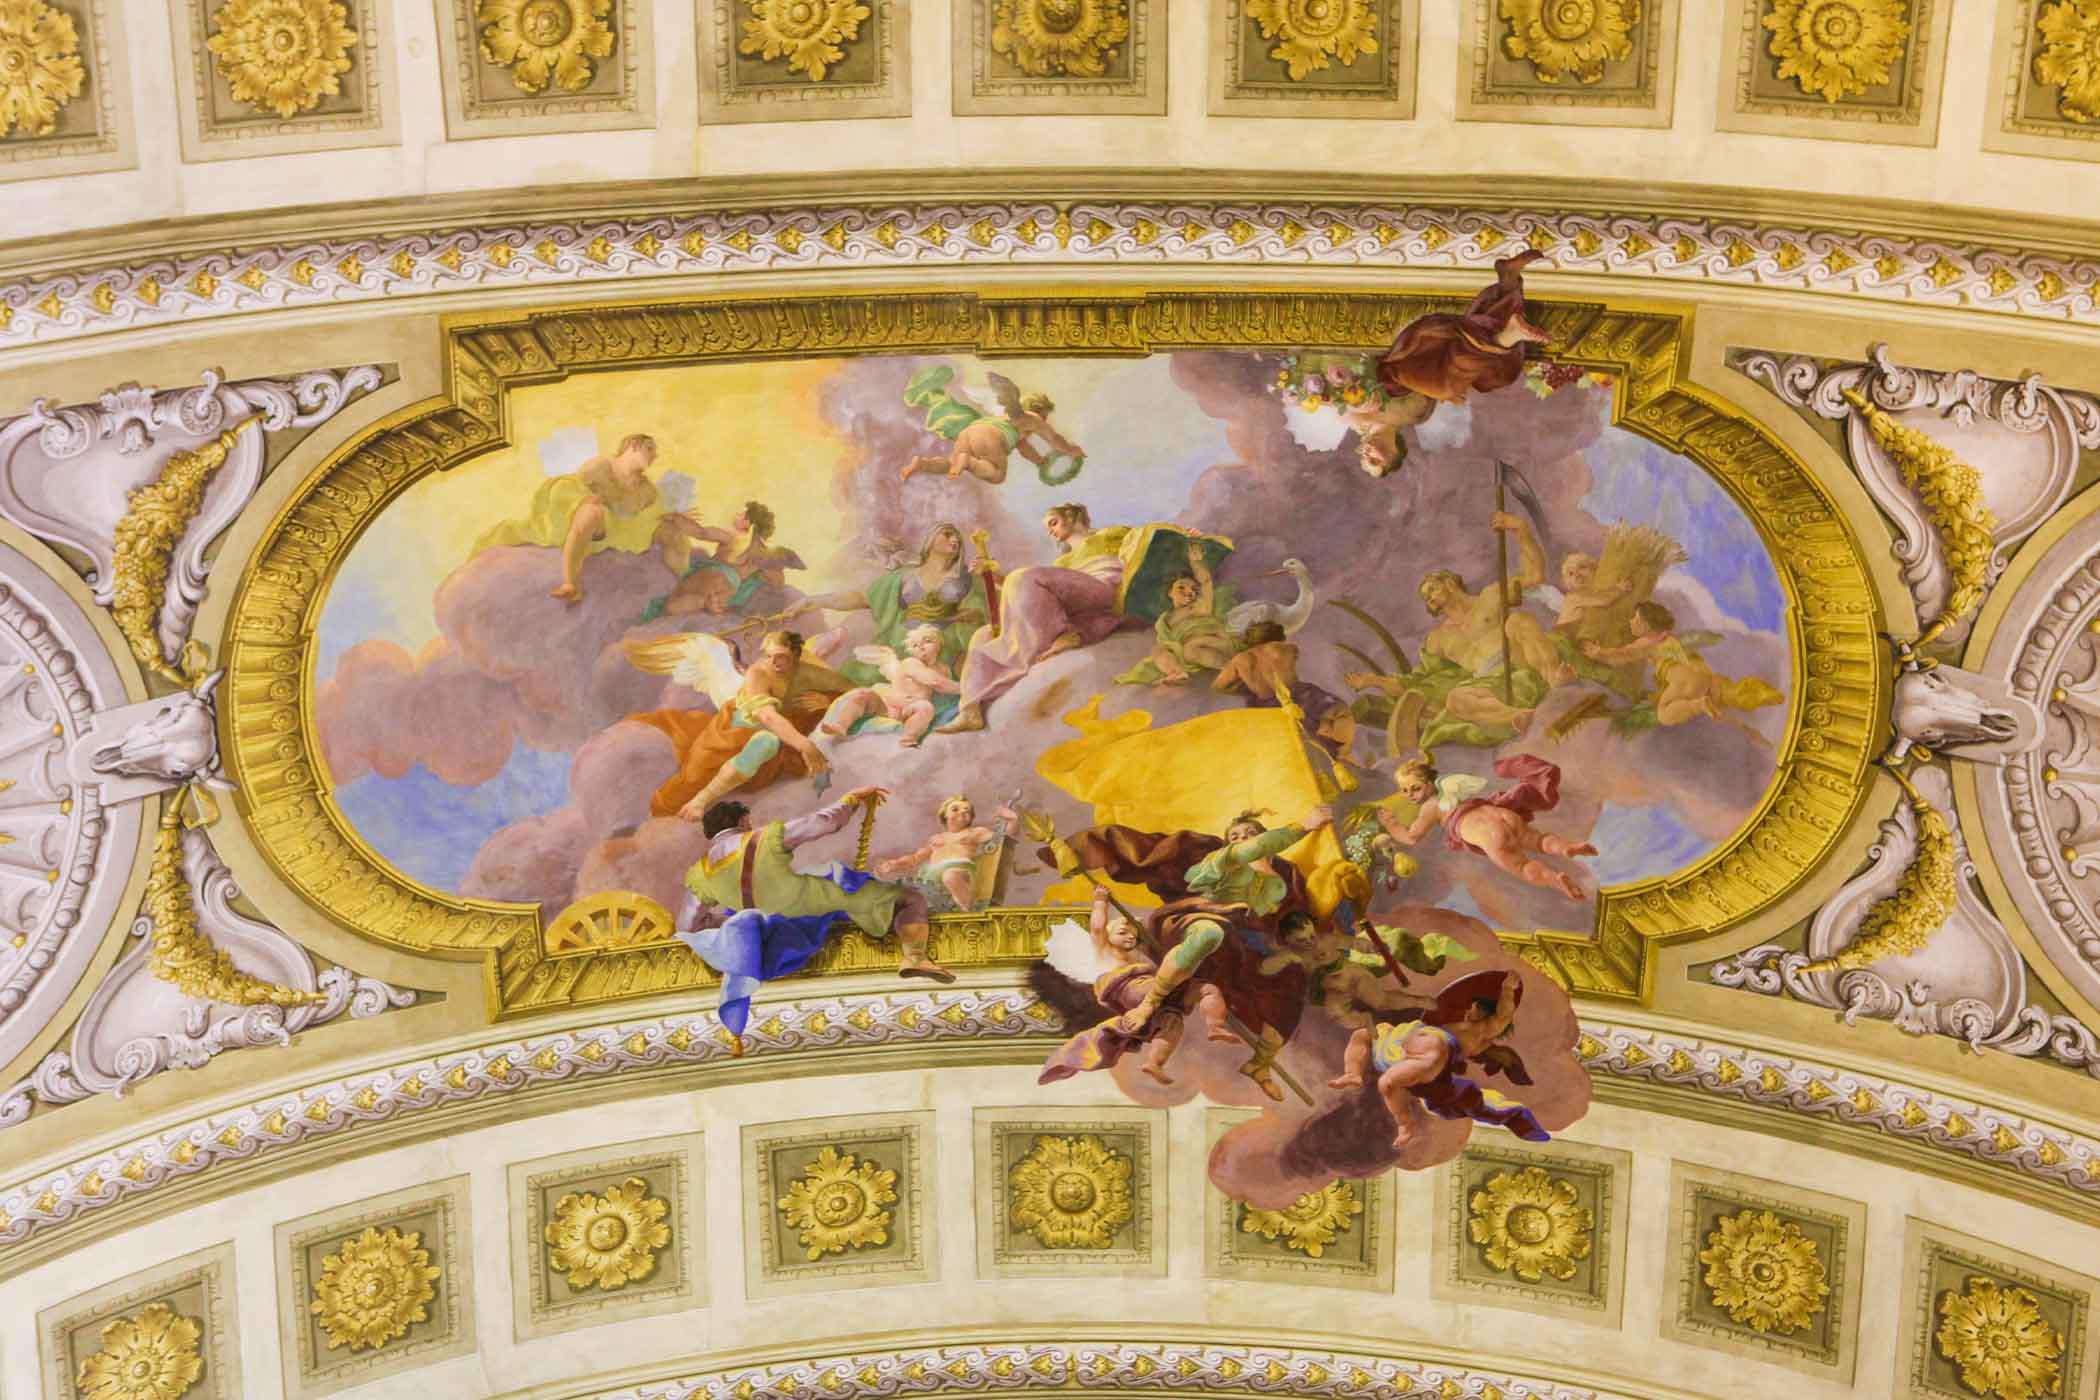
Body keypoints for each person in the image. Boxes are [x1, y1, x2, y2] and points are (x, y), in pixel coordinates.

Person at [1045, 806, 1334, 1101]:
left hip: (1239, 940)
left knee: (1289, 978)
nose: (1242, 840)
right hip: (1192, 918)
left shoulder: (1276, 883)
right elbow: (1254, 851)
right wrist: (1305, 827)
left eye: (1250, 834)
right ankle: (1148, 1005)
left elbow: (1275, 917)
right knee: (1209, 932)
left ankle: (1260, 1064)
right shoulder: (1221, 859)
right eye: (1234, 836)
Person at [676, 784, 953, 1040]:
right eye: (747, 822)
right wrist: (852, 799)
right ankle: (915, 957)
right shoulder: (764, 837)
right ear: (741, 822)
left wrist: (732, 920)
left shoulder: (700, 873)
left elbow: (689, 926)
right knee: (910, 899)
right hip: (812, 902)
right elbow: (825, 822)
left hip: (770, 924)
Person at [1345, 512, 1570, 751]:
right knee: (1456, 699)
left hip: (1522, 664)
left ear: (1450, 583)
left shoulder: (1490, 596)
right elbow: (1416, 681)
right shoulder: (1438, 640)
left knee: (1518, 621)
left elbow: (1534, 574)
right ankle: (1522, 716)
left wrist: (1521, 529)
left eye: (1431, 589)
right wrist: (1375, 681)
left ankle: (1558, 685)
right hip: (1490, 685)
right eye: (1425, 596)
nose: (1428, 597)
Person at [939, 504, 1140, 733]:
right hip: (1077, 603)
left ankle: (1064, 635)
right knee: (982, 634)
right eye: (1047, 527)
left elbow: (1147, 540)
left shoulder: (1110, 534)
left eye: (1053, 522)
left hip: (1104, 586)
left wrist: (1190, 539)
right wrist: (994, 576)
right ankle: (970, 709)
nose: (1050, 531)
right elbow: (1030, 594)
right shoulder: (1062, 563)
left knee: (1023, 576)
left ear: (1073, 517)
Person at [626, 630, 850, 820]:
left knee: (768, 741)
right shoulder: (758, 673)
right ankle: (700, 800)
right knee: (695, 776)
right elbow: (768, 717)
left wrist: (828, 700)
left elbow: (853, 692)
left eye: (780, 657)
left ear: (796, 657)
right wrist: (806, 746)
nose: (773, 663)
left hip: (782, 740)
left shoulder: (810, 672)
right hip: (735, 733)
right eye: (768, 656)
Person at [471, 433, 706, 602]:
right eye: (650, 450)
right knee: (590, 511)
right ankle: (570, 582)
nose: (654, 456)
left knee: (672, 530)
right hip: (580, 511)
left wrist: (673, 516)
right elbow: (577, 489)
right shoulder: (601, 467)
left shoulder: (646, 488)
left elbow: (649, 515)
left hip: (622, 528)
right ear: (633, 445)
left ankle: (685, 585)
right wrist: (586, 501)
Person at [1037, 885, 1233, 1087]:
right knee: (1169, 982)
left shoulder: (1136, 956)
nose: (1130, 937)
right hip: (1131, 989)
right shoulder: (1105, 951)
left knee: (1179, 1017)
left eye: (1133, 935)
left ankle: (1164, 1056)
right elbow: (1097, 928)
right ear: (1109, 935)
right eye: (1123, 932)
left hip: (1155, 994)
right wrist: (1100, 901)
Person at [1330, 970, 1548, 1150]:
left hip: (1431, 1055)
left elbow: (1504, 1014)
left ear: (1483, 1011)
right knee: (1364, 1034)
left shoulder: (1483, 1029)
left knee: (1388, 1083)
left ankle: (1405, 1125)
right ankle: (1353, 1073)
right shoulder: (1462, 1025)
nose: (1468, 1010)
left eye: (1473, 1007)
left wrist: (1508, 989)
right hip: (1402, 1047)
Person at [785, 522, 990, 684]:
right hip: (898, 645)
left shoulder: (966, 578)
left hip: (940, 650)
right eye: (947, 534)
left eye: (958, 538)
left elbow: (982, 610)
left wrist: (990, 576)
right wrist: (815, 600)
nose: (954, 539)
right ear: (930, 540)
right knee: (857, 678)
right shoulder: (903, 577)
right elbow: (862, 598)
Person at [1381, 754, 1596, 902]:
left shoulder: (1430, 808)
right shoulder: (1451, 788)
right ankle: (1567, 847)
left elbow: (1412, 837)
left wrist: (1391, 825)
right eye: (1405, 791)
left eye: (1415, 788)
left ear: (1429, 784)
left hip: (1488, 835)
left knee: (1522, 866)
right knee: (1538, 840)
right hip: (1502, 815)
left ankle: (1554, 880)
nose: (1410, 795)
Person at [1581, 600, 1783, 746]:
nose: (1631, 621)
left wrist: (1599, 653)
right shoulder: (1668, 639)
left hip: (1683, 681)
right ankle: (1760, 700)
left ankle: (1697, 705)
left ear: (1646, 624)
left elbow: (1623, 654)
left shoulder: (1647, 642)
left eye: (1635, 617)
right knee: (1725, 710)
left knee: (1663, 714)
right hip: (1703, 678)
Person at [1375, 250, 1554, 408]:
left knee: (1450, 380)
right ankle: (1508, 281)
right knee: (1497, 374)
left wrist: (1445, 394)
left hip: (1406, 366)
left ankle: (1511, 332)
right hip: (1433, 356)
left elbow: (1385, 384)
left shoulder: (1398, 381)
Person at [897, 366, 1083, 485]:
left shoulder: (1011, 426)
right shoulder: (1031, 418)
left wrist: (1040, 462)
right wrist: (1070, 450)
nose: (1044, 422)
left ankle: (923, 464)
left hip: (970, 431)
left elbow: (1025, 449)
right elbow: (1054, 439)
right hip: (989, 437)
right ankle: (968, 462)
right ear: (1039, 411)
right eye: (1045, 417)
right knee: (997, 475)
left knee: (951, 464)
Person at [1211, 620, 1356, 758]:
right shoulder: (1287, 648)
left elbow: (1218, 686)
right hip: (1299, 694)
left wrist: (1248, 687)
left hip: (1264, 708)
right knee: (1339, 711)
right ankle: (1343, 753)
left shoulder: (1240, 659)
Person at [649, 500, 804, 621]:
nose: (735, 515)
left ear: (747, 522)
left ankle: (705, 602)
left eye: (740, 514)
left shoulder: (733, 537)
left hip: (715, 573)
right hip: (732, 584)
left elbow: (701, 532)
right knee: (694, 603)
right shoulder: (762, 553)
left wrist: (676, 518)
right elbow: (776, 581)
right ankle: (706, 602)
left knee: (671, 606)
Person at [1116, 543, 1237, 687]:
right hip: (1187, 654)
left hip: (1217, 644)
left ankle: (1231, 668)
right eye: (1181, 587)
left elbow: (1206, 582)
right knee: (1158, 650)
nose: (1189, 592)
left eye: (1193, 589)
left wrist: (1196, 561)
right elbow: (1167, 642)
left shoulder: (1198, 607)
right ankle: (1177, 672)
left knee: (1191, 647)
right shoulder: (1165, 620)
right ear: (1169, 592)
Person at [821, 624, 961, 748]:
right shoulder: (911, 663)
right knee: (862, 695)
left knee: (925, 707)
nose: (921, 647)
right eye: (915, 645)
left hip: (911, 710)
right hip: (889, 706)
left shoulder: (944, 669)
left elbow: (944, 693)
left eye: (927, 641)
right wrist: (965, 688)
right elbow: (935, 682)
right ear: (911, 651)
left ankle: (908, 738)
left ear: (939, 644)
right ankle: (841, 725)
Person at [873, 793, 1017, 912]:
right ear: (944, 815)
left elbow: (1002, 841)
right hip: (932, 879)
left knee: (950, 876)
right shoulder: (936, 839)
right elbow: (914, 859)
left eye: (967, 810)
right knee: (899, 893)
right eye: (955, 809)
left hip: (961, 873)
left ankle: (969, 912)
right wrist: (894, 864)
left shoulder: (975, 832)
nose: (963, 812)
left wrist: (1011, 821)